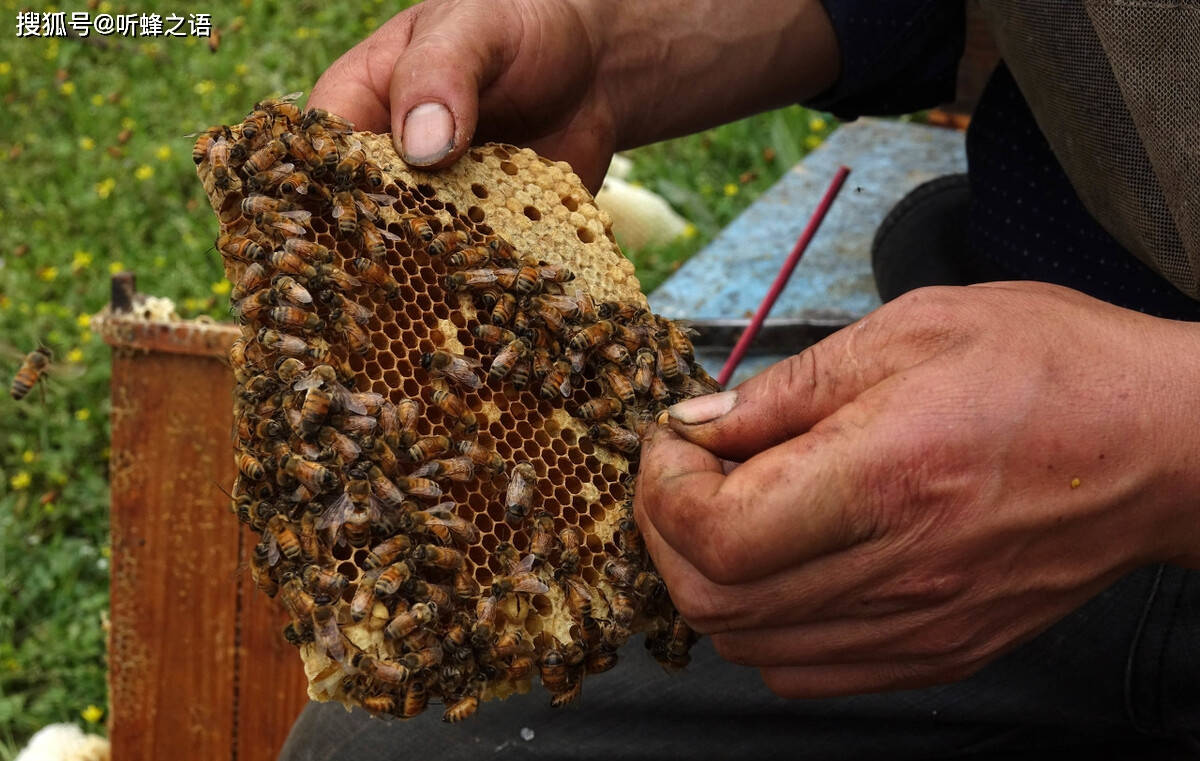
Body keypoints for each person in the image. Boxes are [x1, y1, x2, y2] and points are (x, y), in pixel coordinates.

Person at [281, 1, 1200, 758]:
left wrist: (1167, 438)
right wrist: (609, 42)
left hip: (1121, 445)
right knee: (376, 747)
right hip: (1022, 339)